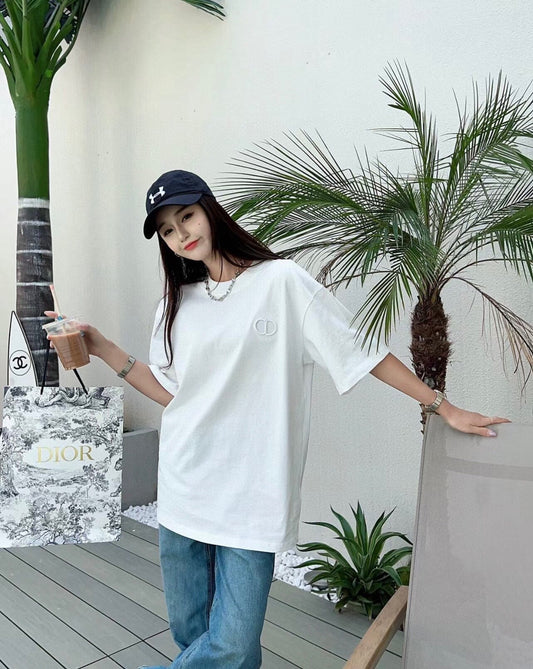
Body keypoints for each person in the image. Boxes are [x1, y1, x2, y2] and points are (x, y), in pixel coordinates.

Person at [46, 170, 509, 669]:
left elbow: (360, 352)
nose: (181, 234)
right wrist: (101, 347)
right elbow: (172, 395)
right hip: (184, 489)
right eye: (167, 230)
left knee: (230, 646)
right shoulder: (174, 306)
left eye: (187, 216)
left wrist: (442, 406)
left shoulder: (281, 282)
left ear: (210, 210)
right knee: (193, 637)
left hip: (253, 496)